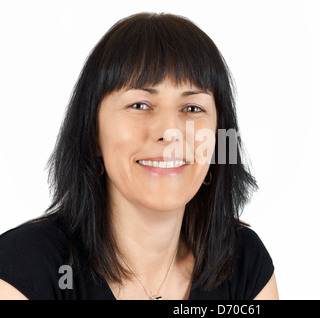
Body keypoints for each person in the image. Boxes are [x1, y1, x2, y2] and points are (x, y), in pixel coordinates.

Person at [0, 12, 278, 300]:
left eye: (193, 108)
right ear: (93, 132)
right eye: (140, 105)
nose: (170, 132)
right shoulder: (28, 269)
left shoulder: (244, 263)